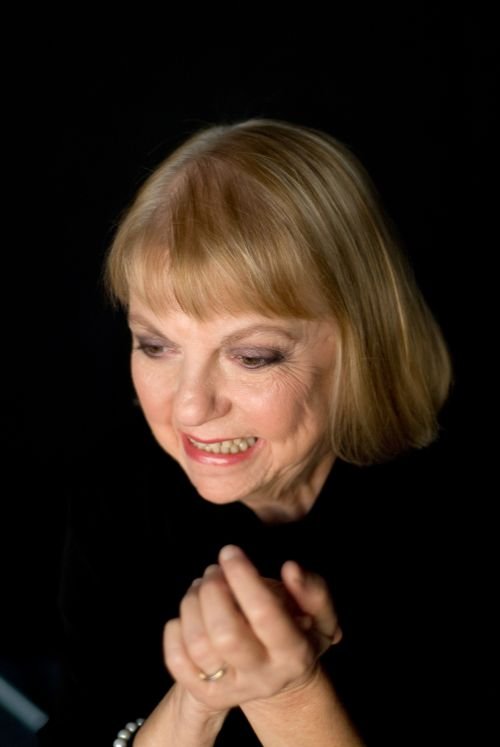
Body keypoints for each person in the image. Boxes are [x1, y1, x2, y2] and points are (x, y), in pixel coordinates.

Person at [38, 119, 454, 746]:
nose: (189, 408)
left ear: (362, 343)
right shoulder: (118, 496)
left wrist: (288, 693)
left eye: (252, 356)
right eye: (155, 345)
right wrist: (198, 698)